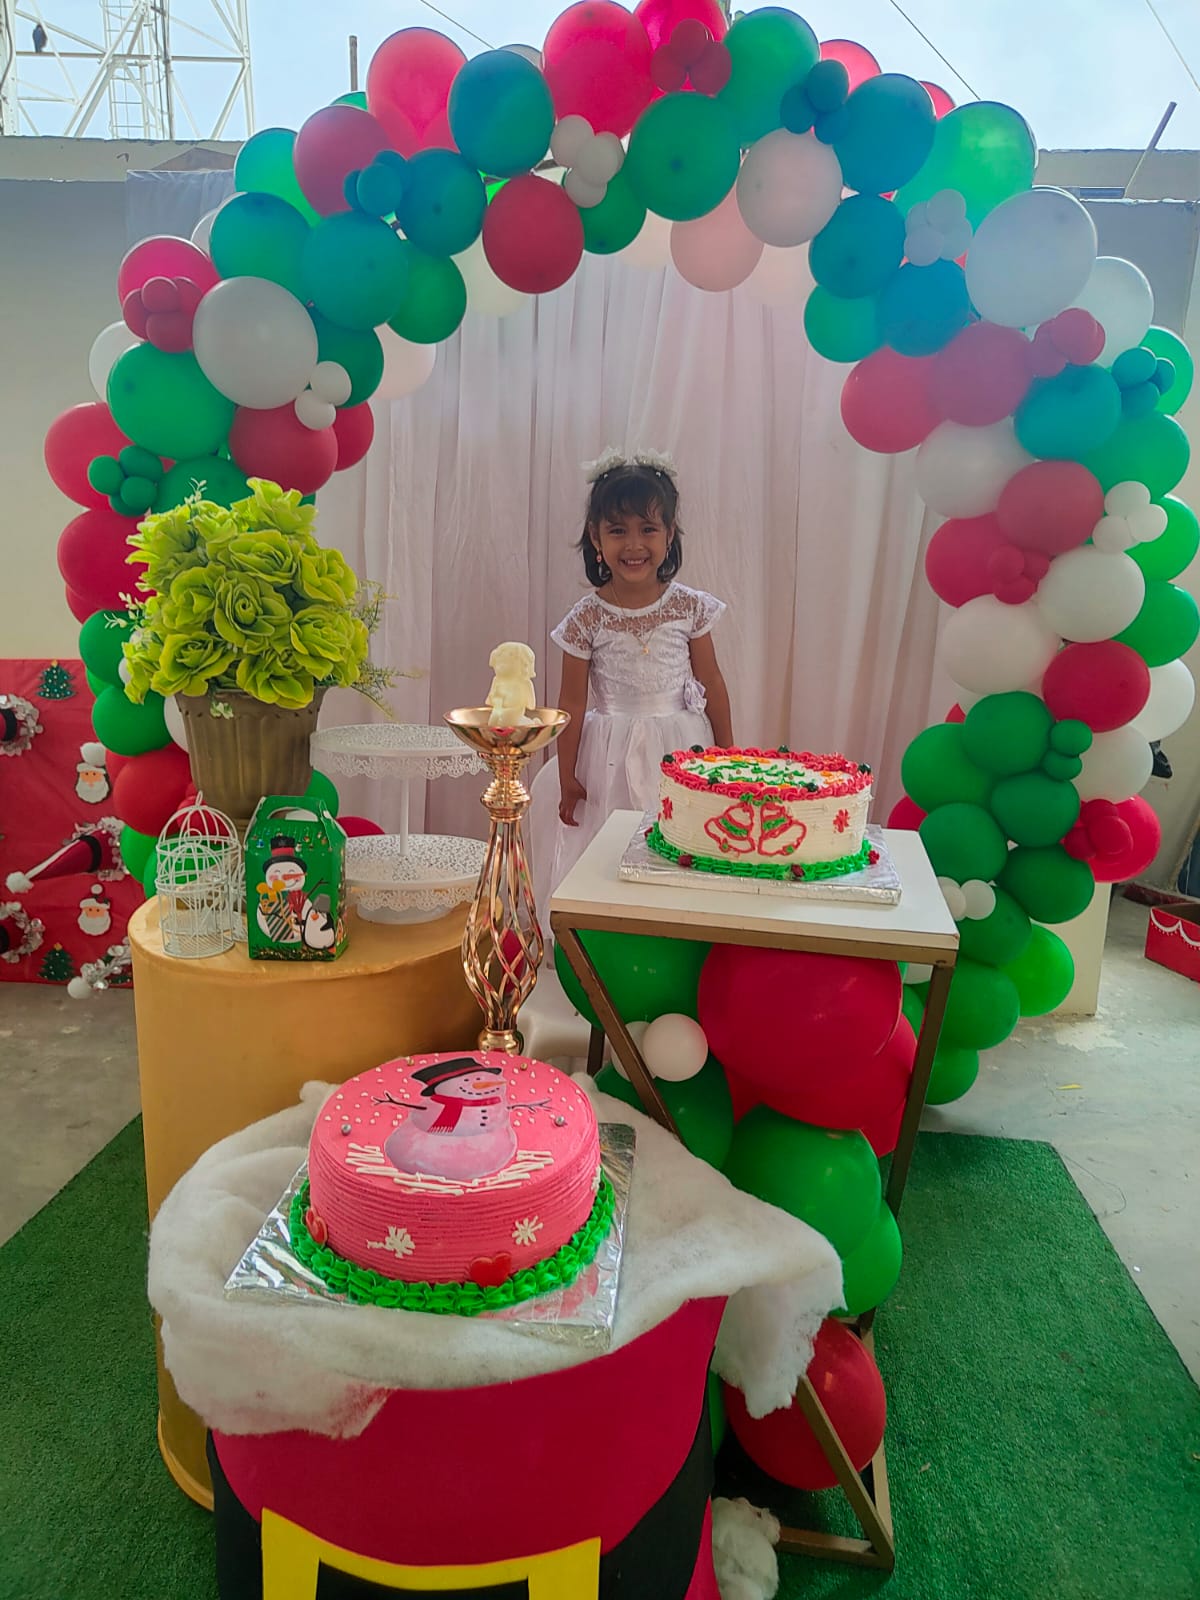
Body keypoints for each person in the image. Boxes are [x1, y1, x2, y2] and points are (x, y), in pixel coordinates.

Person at [530, 448, 732, 924]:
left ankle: (677, 929)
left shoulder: (688, 607)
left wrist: (727, 753)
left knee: (679, 844)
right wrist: (567, 774)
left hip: (680, 745)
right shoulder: (586, 618)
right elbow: (571, 701)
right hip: (609, 753)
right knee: (609, 848)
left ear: (670, 534)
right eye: (618, 530)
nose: (634, 544)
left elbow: (712, 680)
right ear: (595, 538)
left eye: (648, 528)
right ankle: (609, 933)